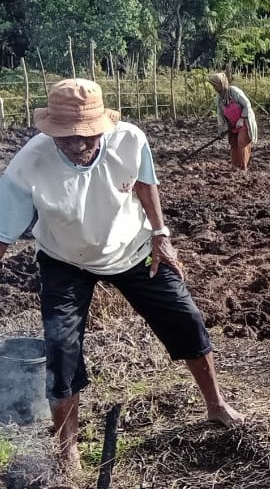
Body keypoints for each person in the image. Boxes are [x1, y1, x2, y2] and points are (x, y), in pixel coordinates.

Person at [0, 78, 243, 472]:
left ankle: (216, 405)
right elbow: (2, 232)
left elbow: (146, 185)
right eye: (66, 138)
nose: (78, 146)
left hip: (131, 249)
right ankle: (68, 451)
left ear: (103, 125)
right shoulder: (28, 163)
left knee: (185, 318)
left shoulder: (129, 139)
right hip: (64, 260)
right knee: (61, 350)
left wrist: (161, 234)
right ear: (50, 132)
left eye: (87, 136)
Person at [208, 72, 258, 170]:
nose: (215, 88)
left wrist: (242, 118)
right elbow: (220, 115)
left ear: (221, 83)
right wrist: (221, 129)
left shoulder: (234, 92)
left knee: (241, 142)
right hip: (232, 124)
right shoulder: (219, 98)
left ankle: (243, 167)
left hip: (244, 122)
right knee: (233, 144)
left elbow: (247, 104)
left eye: (216, 85)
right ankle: (235, 167)